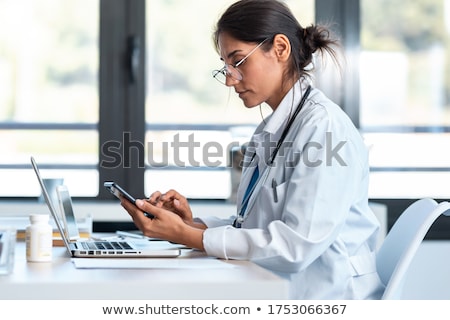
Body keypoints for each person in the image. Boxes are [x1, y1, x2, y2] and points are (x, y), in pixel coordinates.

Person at [121, 0, 385, 299]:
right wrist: (190, 224)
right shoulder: (273, 128)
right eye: (225, 67)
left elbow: (294, 247)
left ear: (280, 49)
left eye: (238, 61)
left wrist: (191, 237)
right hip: (280, 289)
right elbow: (253, 225)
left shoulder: (323, 129)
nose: (230, 79)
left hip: (330, 298)